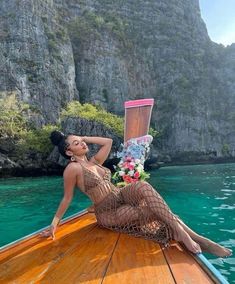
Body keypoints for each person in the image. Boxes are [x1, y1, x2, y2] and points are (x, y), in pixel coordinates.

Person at [40, 130, 232, 257]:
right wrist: (54, 225)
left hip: (121, 195)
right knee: (152, 211)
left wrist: (84, 137)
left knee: (143, 186)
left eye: (81, 141)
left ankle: (181, 233)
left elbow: (107, 142)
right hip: (108, 212)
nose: (82, 144)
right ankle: (197, 238)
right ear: (68, 151)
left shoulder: (94, 161)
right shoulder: (72, 169)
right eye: (76, 143)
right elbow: (67, 198)